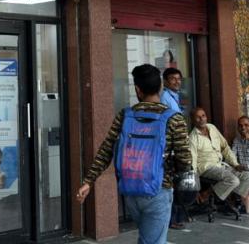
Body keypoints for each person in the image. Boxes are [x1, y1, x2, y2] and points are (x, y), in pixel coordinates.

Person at [76, 64, 191, 244]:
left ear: (137, 89)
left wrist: (88, 181)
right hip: (158, 190)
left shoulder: (125, 115)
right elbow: (185, 159)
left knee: (147, 237)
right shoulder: (174, 119)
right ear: (161, 87)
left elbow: (106, 149)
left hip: (130, 189)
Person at [189, 107, 249, 215]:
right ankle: (206, 195)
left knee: (248, 176)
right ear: (192, 120)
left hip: (220, 165)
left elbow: (225, 147)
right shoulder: (192, 138)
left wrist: (235, 164)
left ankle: (233, 203)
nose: (202, 119)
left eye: (203, 116)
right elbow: (193, 163)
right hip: (206, 168)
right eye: (198, 117)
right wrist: (195, 188)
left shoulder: (212, 128)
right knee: (233, 180)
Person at [161, 67, 184, 229]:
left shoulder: (174, 96)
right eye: (173, 79)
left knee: (175, 183)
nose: (177, 82)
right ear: (165, 81)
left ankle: (176, 217)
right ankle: (171, 219)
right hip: (169, 146)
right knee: (171, 185)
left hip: (176, 145)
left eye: (179, 79)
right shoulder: (165, 98)